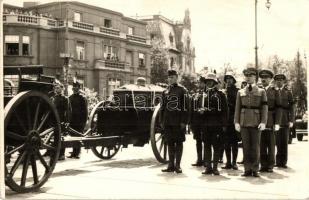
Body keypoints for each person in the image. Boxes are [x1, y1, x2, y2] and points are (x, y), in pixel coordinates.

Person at [234, 67, 268, 177]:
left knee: (256, 147)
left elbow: (264, 108)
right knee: (246, 147)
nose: (248, 78)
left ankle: (255, 169)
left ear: (255, 78)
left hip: (256, 122)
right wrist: (236, 122)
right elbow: (237, 108)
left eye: (251, 76)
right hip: (243, 122)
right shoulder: (240, 92)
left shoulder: (261, 91)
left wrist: (263, 122)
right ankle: (247, 169)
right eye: (246, 76)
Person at [161, 69, 189, 174]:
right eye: (169, 77)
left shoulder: (183, 90)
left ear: (177, 78)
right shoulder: (165, 91)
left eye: (172, 77)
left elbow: (186, 107)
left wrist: (184, 121)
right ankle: (170, 165)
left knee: (179, 143)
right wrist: (161, 120)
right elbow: (162, 108)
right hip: (168, 122)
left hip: (178, 122)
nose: (170, 79)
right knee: (170, 143)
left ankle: (178, 165)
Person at [200, 72, 228, 175]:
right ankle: (208, 167)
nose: (209, 83)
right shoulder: (203, 94)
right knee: (206, 146)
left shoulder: (221, 94)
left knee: (216, 146)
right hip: (206, 125)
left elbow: (224, 111)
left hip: (216, 124)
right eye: (207, 81)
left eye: (211, 81)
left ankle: (215, 167)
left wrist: (224, 125)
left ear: (215, 82)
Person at [258, 69, 282, 173]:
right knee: (261, 144)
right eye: (262, 77)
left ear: (270, 79)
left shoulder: (275, 91)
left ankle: (271, 165)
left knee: (271, 144)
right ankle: (263, 165)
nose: (264, 79)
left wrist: (277, 122)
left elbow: (279, 107)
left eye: (266, 77)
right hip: (259, 120)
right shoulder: (258, 90)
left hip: (271, 120)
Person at [274, 73, 295, 168]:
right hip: (276, 120)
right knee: (277, 141)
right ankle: (278, 161)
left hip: (285, 119)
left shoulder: (288, 92)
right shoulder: (273, 91)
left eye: (281, 80)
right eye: (277, 80)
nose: (279, 81)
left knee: (284, 142)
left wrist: (291, 120)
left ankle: (284, 162)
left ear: (283, 81)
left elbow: (292, 107)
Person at [222, 72, 239, 170]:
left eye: (230, 79)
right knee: (226, 142)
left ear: (233, 80)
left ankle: (234, 162)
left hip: (234, 119)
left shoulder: (237, 91)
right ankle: (228, 162)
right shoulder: (223, 91)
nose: (228, 81)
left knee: (234, 142)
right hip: (225, 120)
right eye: (227, 79)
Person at [49, 82, 71, 160]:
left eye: (58, 88)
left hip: (61, 119)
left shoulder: (65, 98)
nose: (56, 89)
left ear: (62, 89)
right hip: (53, 119)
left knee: (61, 137)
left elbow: (68, 110)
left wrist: (67, 121)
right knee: (54, 137)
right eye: (56, 88)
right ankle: (54, 153)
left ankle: (61, 154)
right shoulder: (53, 98)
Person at [68, 81, 88, 158]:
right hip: (72, 120)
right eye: (74, 88)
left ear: (79, 89)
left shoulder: (82, 98)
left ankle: (78, 152)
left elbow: (85, 111)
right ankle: (74, 152)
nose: (75, 89)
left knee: (78, 136)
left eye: (76, 88)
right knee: (73, 136)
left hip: (80, 121)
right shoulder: (70, 98)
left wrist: (84, 121)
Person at [190, 76, 206, 167]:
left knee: (206, 141)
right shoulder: (195, 94)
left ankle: (206, 159)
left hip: (205, 121)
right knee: (198, 141)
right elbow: (192, 109)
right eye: (198, 83)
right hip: (196, 121)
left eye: (201, 83)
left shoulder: (207, 94)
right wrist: (191, 122)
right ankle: (199, 159)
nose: (199, 84)